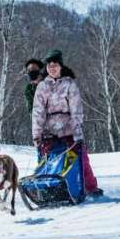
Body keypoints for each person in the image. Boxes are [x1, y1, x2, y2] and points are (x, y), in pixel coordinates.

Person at [32, 49, 103, 197]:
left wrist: (77, 133)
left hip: (69, 128)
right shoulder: (42, 87)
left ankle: (90, 187)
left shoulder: (70, 84)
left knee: (80, 158)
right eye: (49, 66)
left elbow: (76, 109)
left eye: (55, 65)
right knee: (47, 161)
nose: (52, 68)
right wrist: (37, 135)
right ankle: (45, 190)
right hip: (49, 130)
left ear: (60, 67)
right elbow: (38, 112)